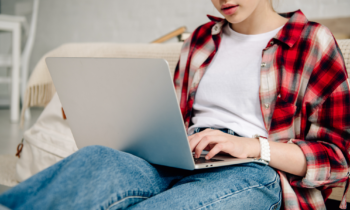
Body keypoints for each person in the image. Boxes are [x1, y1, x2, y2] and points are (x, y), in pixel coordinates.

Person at [1, 0, 349, 209]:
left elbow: (338, 156)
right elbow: (173, 119)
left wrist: (251, 147)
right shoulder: (200, 40)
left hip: (254, 170)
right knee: (96, 159)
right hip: (185, 157)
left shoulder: (312, 40)